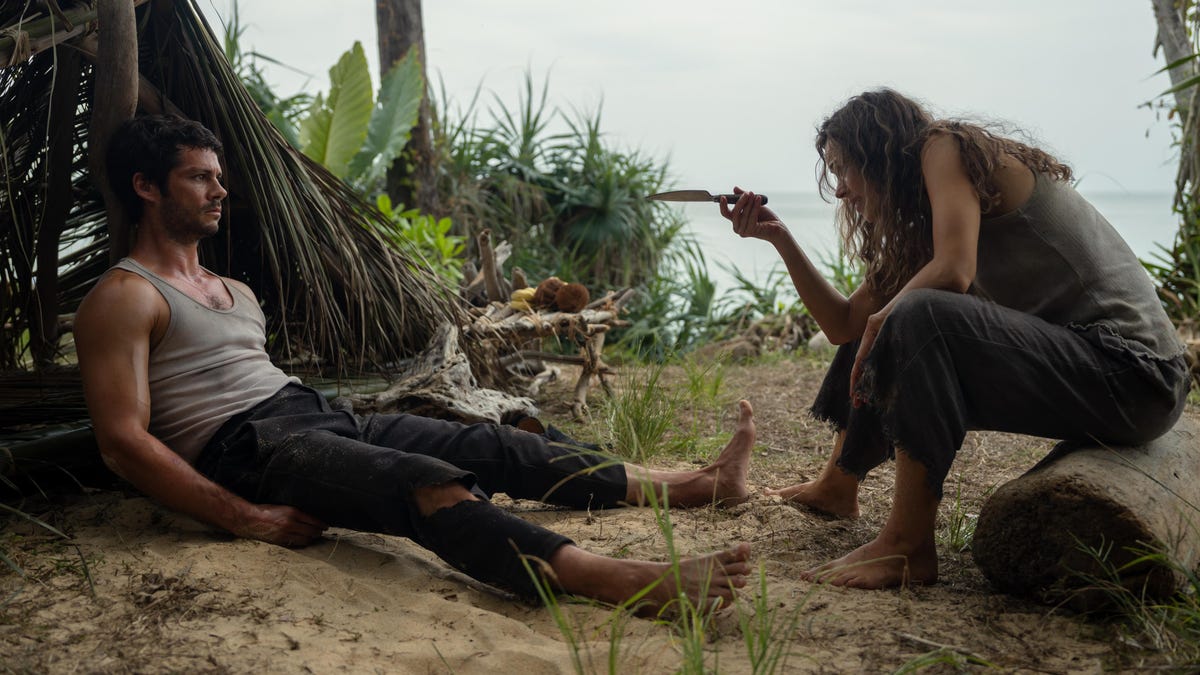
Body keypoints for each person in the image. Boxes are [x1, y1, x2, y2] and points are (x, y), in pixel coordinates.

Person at [75, 114, 754, 611]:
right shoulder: (126, 295)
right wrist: (243, 517)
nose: (219, 190)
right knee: (429, 485)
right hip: (246, 447)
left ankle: (689, 484)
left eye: (219, 177)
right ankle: (617, 579)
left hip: (312, 413)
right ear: (147, 186)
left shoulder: (235, 290)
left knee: (497, 440)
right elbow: (122, 441)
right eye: (199, 177)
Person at [720, 88, 1190, 590]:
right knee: (891, 315)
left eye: (843, 170)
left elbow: (954, 271)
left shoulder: (944, 146)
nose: (840, 191)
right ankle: (838, 485)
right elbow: (844, 324)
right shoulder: (927, 220)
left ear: (877, 154)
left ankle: (907, 545)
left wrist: (883, 323)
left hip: (1136, 374)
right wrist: (780, 238)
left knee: (914, 313)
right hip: (1095, 374)